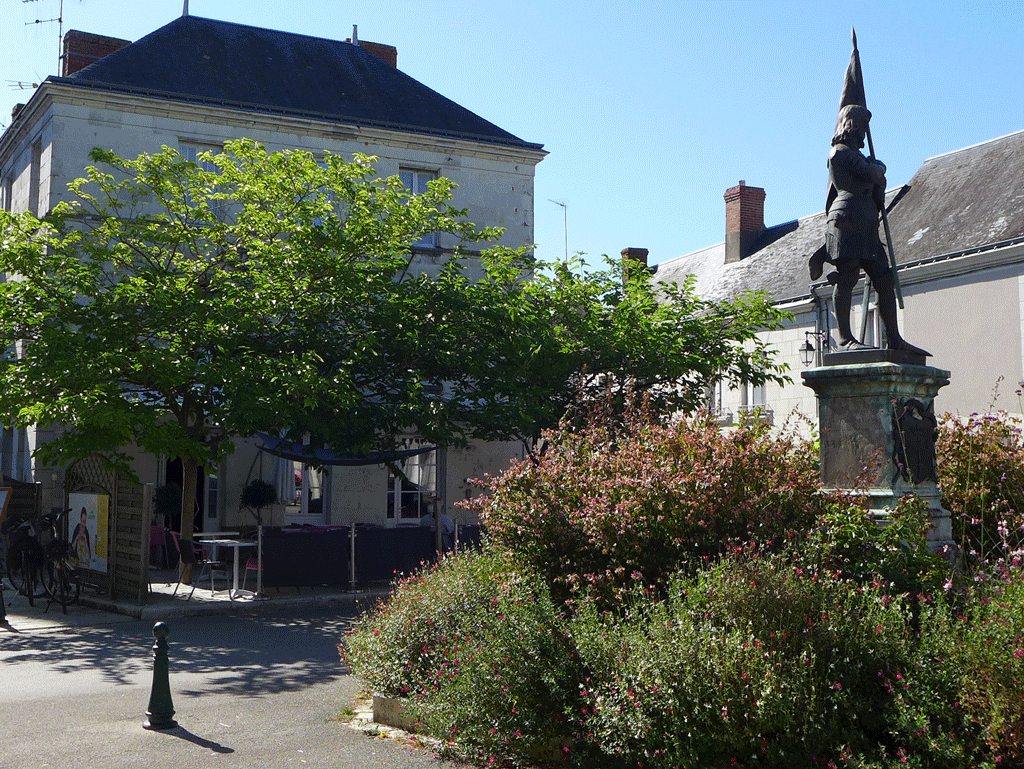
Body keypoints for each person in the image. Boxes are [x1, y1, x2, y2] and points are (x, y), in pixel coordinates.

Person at [809, 104, 929, 356]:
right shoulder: (839, 153)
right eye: (862, 126)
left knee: (884, 279)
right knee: (848, 276)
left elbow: (874, 178)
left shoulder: (859, 156)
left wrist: (877, 175)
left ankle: (894, 339)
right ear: (851, 125)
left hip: (866, 221)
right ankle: (844, 339)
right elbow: (871, 172)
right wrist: (879, 170)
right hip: (846, 218)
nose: (864, 132)